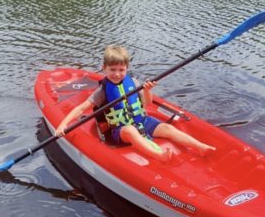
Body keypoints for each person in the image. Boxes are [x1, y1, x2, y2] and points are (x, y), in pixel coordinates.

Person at [55, 45, 215, 159]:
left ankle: (200, 147)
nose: (117, 74)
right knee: (130, 131)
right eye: (112, 70)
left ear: (126, 68)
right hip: (121, 130)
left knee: (167, 127)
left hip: (142, 121)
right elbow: (82, 108)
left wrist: (146, 90)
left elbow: (146, 104)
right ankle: (159, 155)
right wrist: (63, 125)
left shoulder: (133, 82)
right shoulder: (103, 91)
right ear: (104, 68)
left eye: (121, 70)